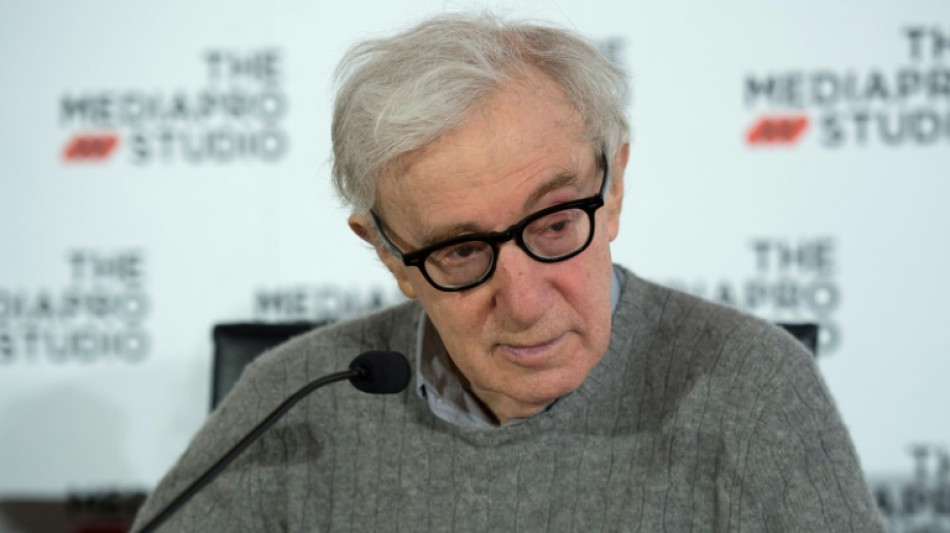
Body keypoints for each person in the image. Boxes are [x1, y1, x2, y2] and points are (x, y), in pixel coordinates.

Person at [132, 13, 885, 532]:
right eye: (461, 251)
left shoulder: (753, 388)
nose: (524, 302)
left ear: (614, 190)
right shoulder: (295, 398)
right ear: (388, 254)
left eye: (554, 225)